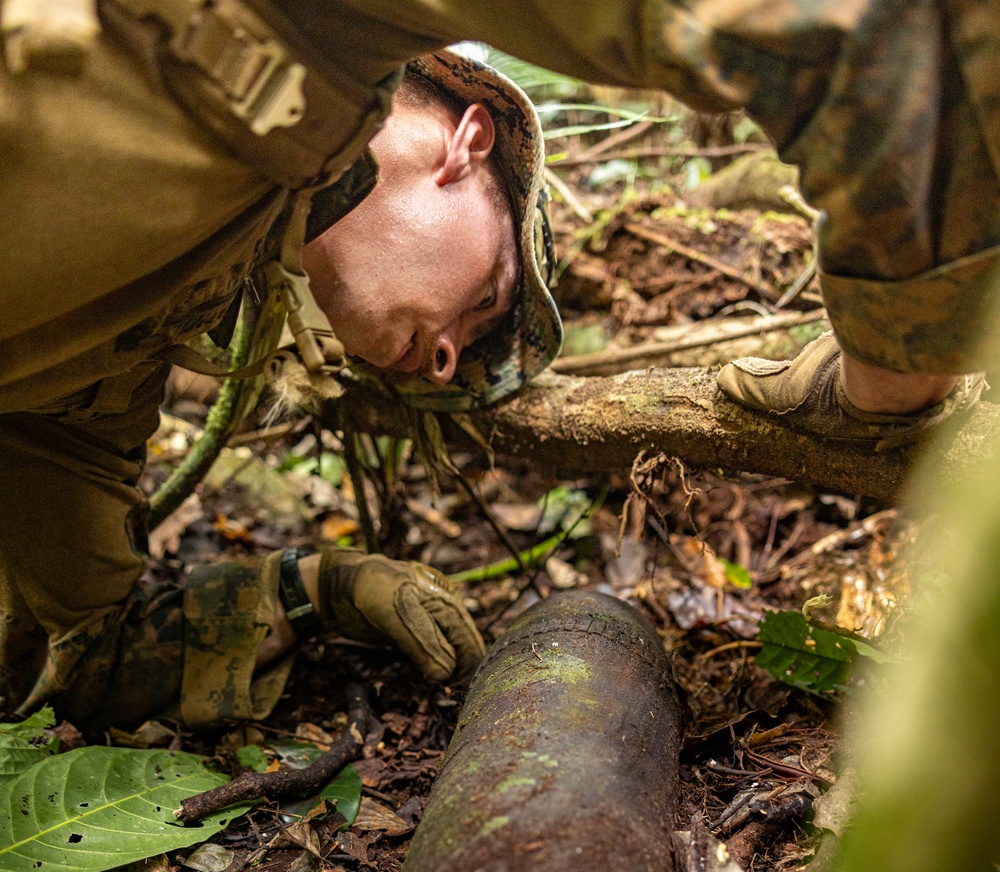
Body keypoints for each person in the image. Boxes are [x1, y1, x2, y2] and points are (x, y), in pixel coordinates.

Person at [1, 0, 996, 732]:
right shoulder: (320, 28)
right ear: (465, 145)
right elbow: (855, 27)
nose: (440, 363)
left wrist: (319, 586)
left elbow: (93, 648)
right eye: (484, 300)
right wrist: (885, 380)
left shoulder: (110, 368)